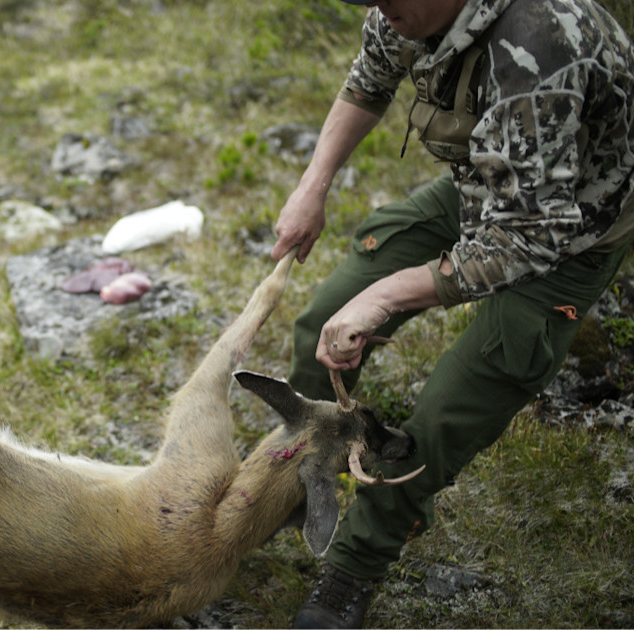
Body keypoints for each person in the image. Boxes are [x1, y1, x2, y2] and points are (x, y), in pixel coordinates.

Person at [269, 0, 634, 627]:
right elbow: (368, 81)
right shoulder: (402, 11)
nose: (377, 6)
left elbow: (528, 239)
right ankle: (305, 475)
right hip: (482, 186)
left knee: (439, 417)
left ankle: (353, 569)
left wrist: (385, 296)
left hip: (569, 231)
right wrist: (314, 183)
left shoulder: (540, 43)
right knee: (320, 323)